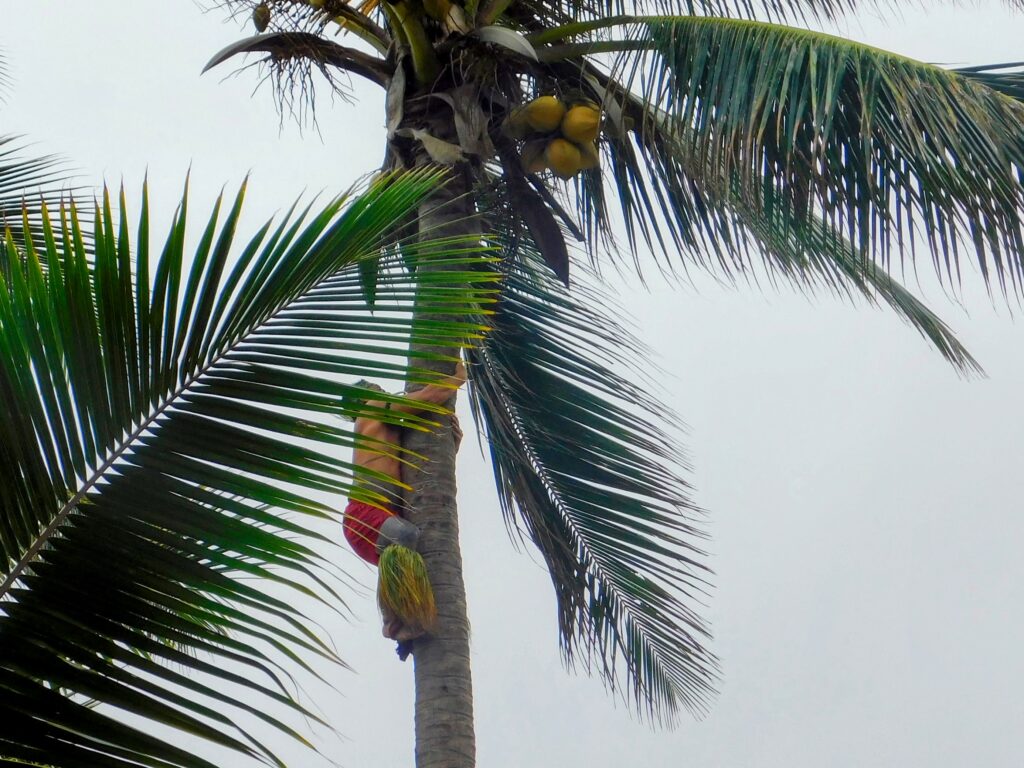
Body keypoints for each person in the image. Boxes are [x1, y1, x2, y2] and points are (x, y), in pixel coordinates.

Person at [343, 359, 466, 646]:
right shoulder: (372, 409)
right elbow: (429, 397)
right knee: (408, 536)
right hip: (364, 514)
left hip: (376, 517)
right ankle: (394, 619)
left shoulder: (387, 430)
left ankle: (398, 621)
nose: (384, 391)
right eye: (378, 388)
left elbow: (420, 471)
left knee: (408, 541)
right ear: (365, 396)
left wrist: (450, 444)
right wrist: (459, 377)